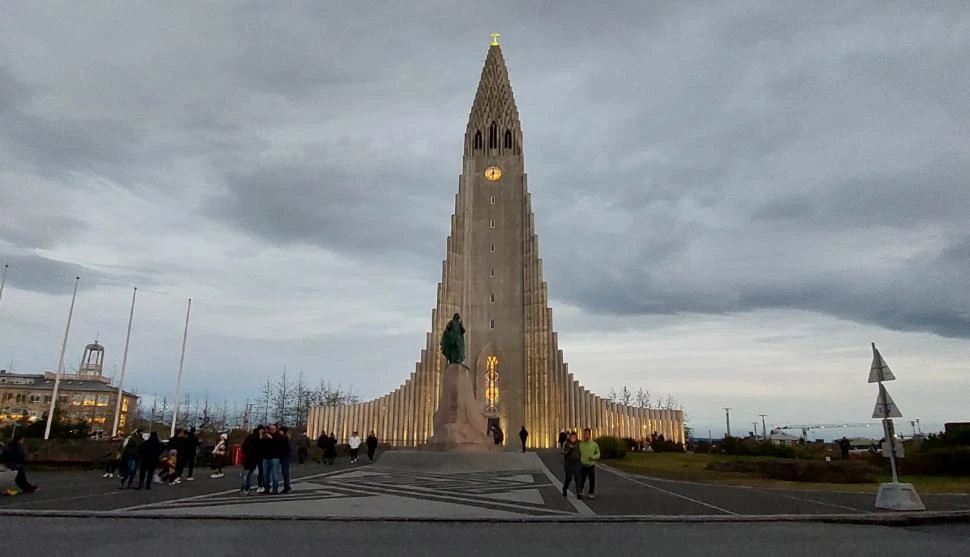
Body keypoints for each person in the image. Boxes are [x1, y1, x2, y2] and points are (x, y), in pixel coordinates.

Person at [578, 428, 600, 500]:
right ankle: (580, 492)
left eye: (586, 434)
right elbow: (577, 454)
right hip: (582, 465)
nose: (585, 435)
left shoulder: (594, 444)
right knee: (582, 480)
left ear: (589, 435)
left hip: (591, 465)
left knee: (592, 480)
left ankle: (591, 493)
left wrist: (593, 457)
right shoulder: (580, 445)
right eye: (584, 434)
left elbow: (598, 453)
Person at [260, 425, 281, 495]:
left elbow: (278, 443)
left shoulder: (278, 436)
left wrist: (271, 437)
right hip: (266, 458)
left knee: (275, 474)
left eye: (273, 428)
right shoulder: (265, 437)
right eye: (270, 428)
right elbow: (261, 444)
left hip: (275, 457)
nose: (271, 430)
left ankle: (275, 489)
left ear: (275, 429)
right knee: (265, 474)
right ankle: (267, 488)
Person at [241, 427, 263, 494]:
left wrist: (244, 453)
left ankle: (245, 488)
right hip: (253, 458)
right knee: (248, 474)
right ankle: (246, 488)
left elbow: (243, 446)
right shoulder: (257, 439)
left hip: (248, 458)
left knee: (246, 474)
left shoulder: (249, 438)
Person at [561, 431, 582, 499]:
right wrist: (569, 449)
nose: (573, 438)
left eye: (574, 437)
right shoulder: (566, 443)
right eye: (571, 437)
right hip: (568, 463)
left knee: (577, 477)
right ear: (570, 437)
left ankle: (578, 492)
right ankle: (565, 488)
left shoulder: (579, 443)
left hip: (577, 463)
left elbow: (582, 451)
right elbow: (563, 452)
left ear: (576, 437)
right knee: (568, 478)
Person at [278, 426, 293, 493]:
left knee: (285, 473)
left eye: (280, 431)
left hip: (284, 457)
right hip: (286, 457)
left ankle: (287, 486)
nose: (279, 432)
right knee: (285, 473)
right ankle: (287, 486)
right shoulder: (287, 438)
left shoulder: (283, 438)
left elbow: (283, 448)